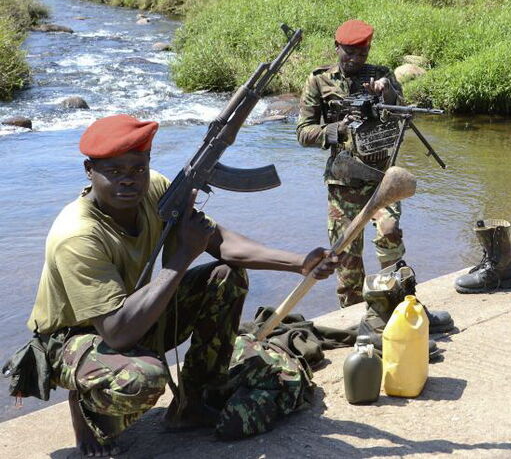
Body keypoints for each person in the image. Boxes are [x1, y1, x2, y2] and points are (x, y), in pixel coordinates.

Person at [23, 114, 338, 456]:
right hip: (73, 338)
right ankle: (89, 411)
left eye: (137, 169)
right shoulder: (77, 235)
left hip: (132, 310)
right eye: (114, 171)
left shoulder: (154, 191)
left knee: (225, 277)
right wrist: (184, 255)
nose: (128, 181)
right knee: (144, 379)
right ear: (89, 170)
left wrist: (299, 263)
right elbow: (115, 332)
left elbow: (221, 242)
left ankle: (191, 403)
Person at [296, 20, 406, 308]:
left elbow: (404, 115)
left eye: (362, 53)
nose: (356, 59)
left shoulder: (382, 74)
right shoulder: (319, 80)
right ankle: (352, 320)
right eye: (349, 53)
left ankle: (396, 303)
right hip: (343, 182)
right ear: (337, 47)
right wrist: (336, 130)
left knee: (390, 232)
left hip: (382, 177)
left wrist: (387, 94)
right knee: (346, 258)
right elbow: (303, 132)